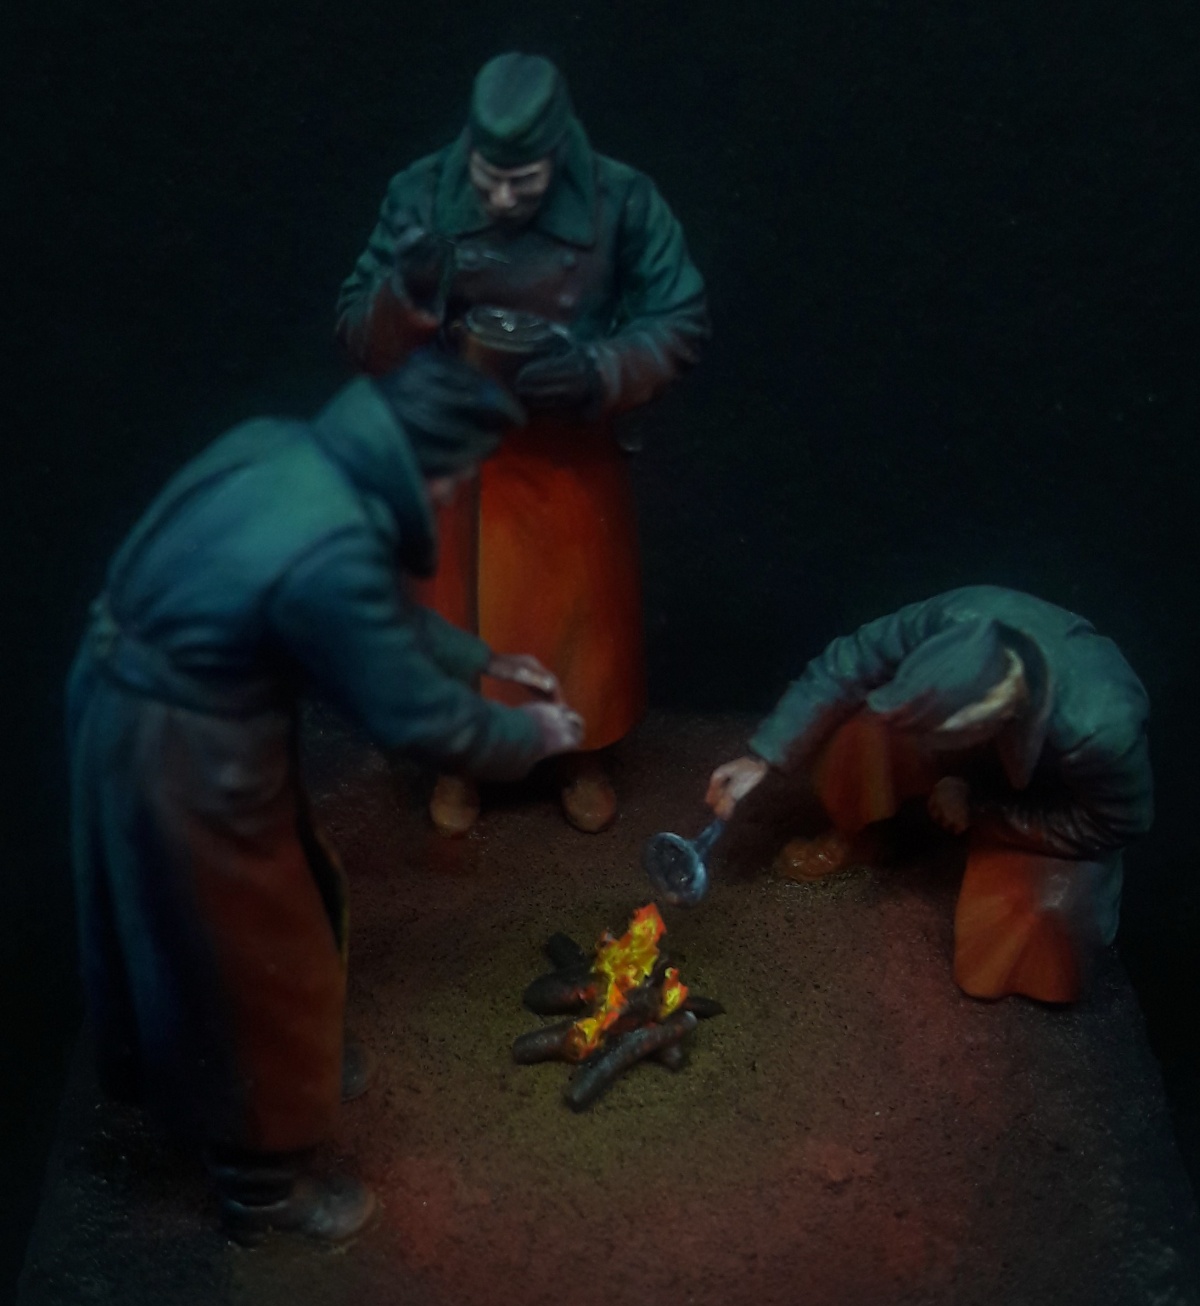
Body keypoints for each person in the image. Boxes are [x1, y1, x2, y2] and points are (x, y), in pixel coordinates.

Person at [68, 352, 583, 1243]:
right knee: (246, 956)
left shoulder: (283, 448)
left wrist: (483, 658)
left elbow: (378, 614)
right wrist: (530, 737)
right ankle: (262, 1186)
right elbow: (418, 718)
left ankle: (284, 1074)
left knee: (274, 907)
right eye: (458, 474)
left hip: (163, 723)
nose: (456, 494)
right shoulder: (332, 546)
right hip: (185, 754)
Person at [337, 51, 709, 836]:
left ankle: (577, 753)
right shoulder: (420, 193)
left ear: (559, 152)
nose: (503, 198)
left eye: (525, 180)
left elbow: (678, 317)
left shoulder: (621, 199)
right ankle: (459, 759)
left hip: (567, 451)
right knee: (454, 614)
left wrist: (599, 370)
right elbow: (356, 327)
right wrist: (406, 296)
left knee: (574, 623)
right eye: (489, 177)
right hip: (455, 455)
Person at [706, 586, 1153, 1004]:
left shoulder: (1099, 728)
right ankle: (860, 834)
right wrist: (763, 757)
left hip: (1044, 798)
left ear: (988, 718)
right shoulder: (950, 620)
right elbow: (848, 663)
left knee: (1033, 928)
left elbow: (1113, 823)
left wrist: (980, 808)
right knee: (863, 731)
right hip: (976, 756)